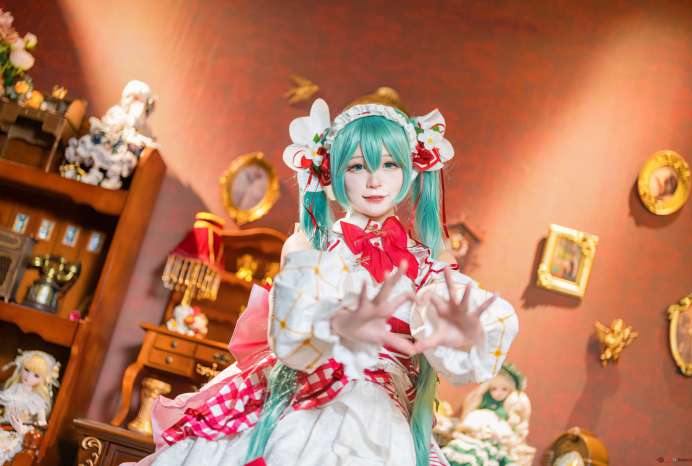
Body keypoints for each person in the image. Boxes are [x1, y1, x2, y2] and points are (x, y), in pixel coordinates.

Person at [129, 98, 519, 466]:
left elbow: (455, 336)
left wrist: (464, 332)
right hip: (300, 399)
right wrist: (332, 329)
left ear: (410, 171)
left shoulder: (427, 265)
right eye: (357, 167)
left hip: (381, 415)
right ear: (333, 172)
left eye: (389, 165)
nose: (374, 181)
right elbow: (293, 341)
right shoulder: (310, 246)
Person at [441, 363, 535, 466]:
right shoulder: (482, 402)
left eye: (504, 389)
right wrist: (474, 430)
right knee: (461, 447)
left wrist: (500, 437)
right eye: (494, 389)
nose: (498, 393)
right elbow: (467, 420)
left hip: (493, 439)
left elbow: (512, 433)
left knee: (482, 453)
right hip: (475, 433)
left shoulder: (508, 408)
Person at [0, 350, 60, 464]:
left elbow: (42, 424)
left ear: (43, 379)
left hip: (19, 434)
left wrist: (24, 429)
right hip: (3, 428)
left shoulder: (36, 399)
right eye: (26, 370)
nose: (28, 376)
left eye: (36, 375)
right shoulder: (13, 389)